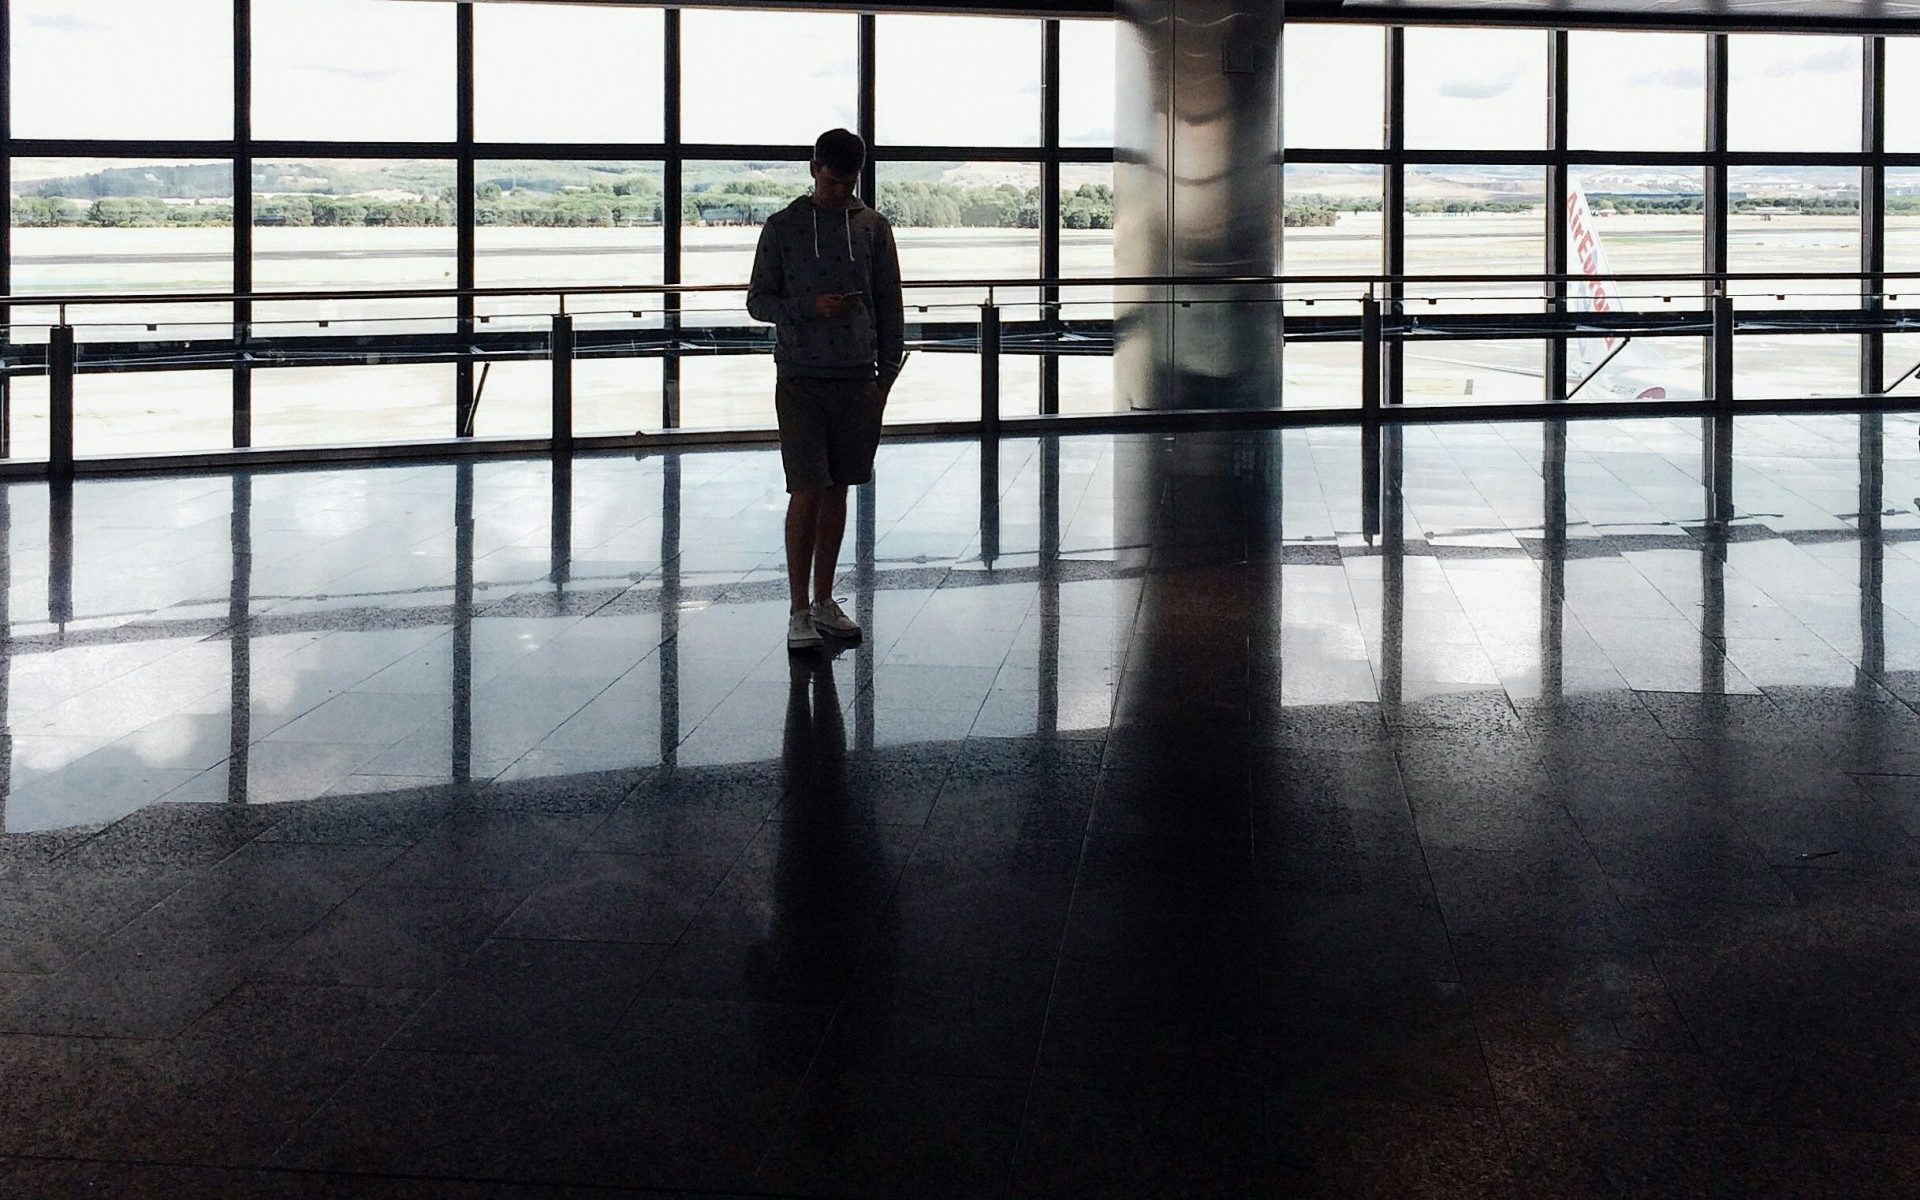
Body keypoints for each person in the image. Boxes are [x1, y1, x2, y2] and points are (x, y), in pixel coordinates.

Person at [746, 128, 904, 651]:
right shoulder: (783, 227)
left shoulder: (874, 229)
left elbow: (890, 306)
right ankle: (797, 609)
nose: (839, 191)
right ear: (814, 169)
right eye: (832, 181)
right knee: (807, 487)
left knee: (838, 487)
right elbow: (757, 301)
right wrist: (808, 309)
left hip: (857, 379)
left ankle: (823, 599)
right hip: (800, 379)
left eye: (849, 183)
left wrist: (883, 379)